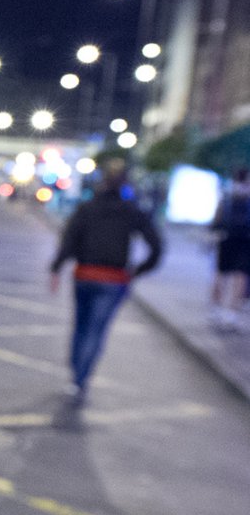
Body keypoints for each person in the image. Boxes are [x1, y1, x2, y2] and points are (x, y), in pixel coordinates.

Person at [49, 159, 162, 402]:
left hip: (85, 275)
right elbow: (157, 246)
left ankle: (75, 375)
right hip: (114, 279)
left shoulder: (86, 208)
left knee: (81, 326)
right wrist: (138, 271)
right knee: (96, 331)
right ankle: (81, 379)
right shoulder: (132, 211)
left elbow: (69, 241)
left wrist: (56, 268)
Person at [211, 167, 250, 330]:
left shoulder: (228, 193)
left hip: (225, 238)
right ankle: (232, 314)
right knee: (240, 277)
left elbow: (217, 218)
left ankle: (216, 309)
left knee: (221, 274)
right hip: (245, 240)